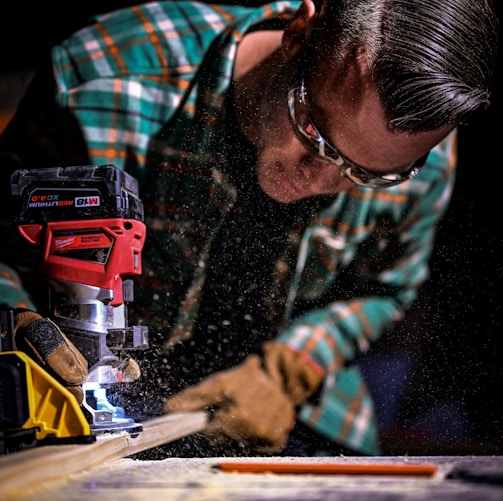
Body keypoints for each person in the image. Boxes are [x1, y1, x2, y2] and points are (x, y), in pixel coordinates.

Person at [0, 0, 499, 457]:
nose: (319, 182)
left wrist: (288, 369)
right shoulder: (100, 83)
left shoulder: (418, 160)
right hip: (96, 413)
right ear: (301, 32)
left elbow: (386, 290)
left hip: (302, 417)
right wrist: (12, 319)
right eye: (314, 130)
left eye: (364, 174)